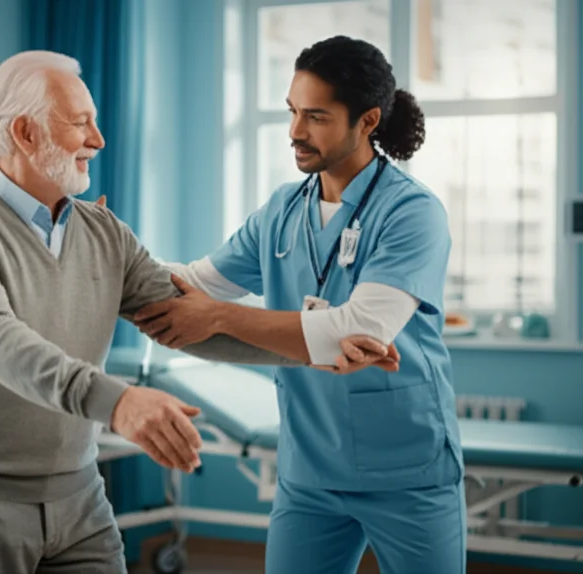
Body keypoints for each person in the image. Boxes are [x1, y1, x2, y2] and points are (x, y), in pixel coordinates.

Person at [0, 50, 390, 574]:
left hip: (78, 492)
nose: (98, 140)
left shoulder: (104, 233)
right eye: (80, 123)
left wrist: (317, 348)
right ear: (25, 133)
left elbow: (189, 319)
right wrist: (119, 404)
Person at [134, 36, 466, 574]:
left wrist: (218, 317)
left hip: (405, 469)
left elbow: (356, 330)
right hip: (310, 469)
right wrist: (105, 257)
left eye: (316, 116)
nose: (294, 131)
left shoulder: (411, 212)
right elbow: (193, 284)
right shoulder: (283, 210)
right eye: (292, 111)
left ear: (368, 120)